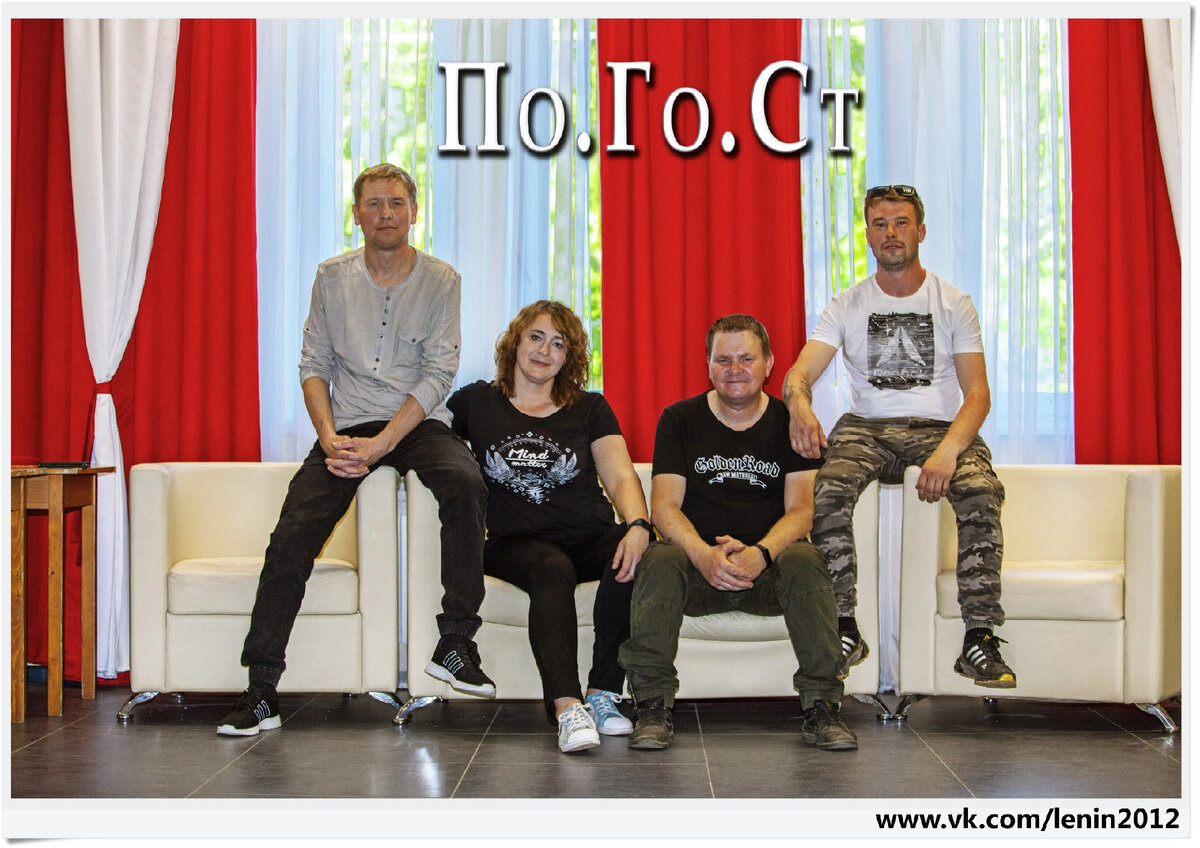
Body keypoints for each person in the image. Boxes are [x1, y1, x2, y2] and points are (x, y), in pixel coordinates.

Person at [218, 163, 492, 736]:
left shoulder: (442, 280)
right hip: (344, 425)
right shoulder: (331, 277)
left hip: (417, 422)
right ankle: (261, 688)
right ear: (357, 214)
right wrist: (328, 437)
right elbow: (314, 365)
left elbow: (439, 373)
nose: (385, 213)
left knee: (466, 483)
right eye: (374, 203)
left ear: (413, 212)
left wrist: (383, 443)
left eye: (396, 203)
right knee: (292, 534)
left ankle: (456, 641)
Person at [783, 183, 1013, 689]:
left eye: (901, 223)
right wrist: (799, 406)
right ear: (868, 236)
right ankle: (844, 627)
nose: (891, 233)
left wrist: (948, 452)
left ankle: (979, 637)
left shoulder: (953, 302)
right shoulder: (846, 304)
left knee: (980, 490)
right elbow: (798, 374)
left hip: (939, 428)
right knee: (827, 489)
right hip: (866, 428)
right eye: (880, 224)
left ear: (920, 232)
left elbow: (977, 395)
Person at [619, 314, 857, 752]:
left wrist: (760, 553)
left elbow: (802, 511)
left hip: (769, 574)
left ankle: (823, 706)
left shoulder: (791, 422)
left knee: (806, 558)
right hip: (697, 574)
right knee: (659, 557)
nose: (734, 369)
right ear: (708, 365)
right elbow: (664, 507)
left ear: (769, 363)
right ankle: (651, 705)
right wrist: (702, 554)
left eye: (746, 358)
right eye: (723, 360)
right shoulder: (679, 419)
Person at [447, 301, 652, 753]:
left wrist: (638, 525)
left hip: (586, 535)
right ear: (515, 341)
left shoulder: (590, 407)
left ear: (568, 357)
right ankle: (567, 708)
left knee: (635, 550)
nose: (544, 351)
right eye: (536, 337)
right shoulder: (477, 403)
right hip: (514, 543)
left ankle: (602, 693)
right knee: (551, 567)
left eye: (558, 344)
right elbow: (431, 435)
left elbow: (620, 475)